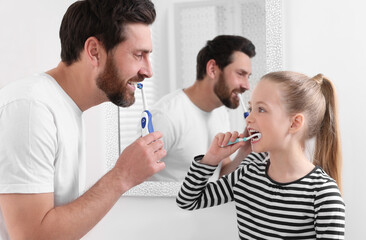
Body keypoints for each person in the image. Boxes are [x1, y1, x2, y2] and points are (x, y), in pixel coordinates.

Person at [0, 0, 166, 239]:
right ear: (94, 52)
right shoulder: (31, 108)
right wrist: (122, 176)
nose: (149, 71)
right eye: (139, 55)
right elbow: (31, 235)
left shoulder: (63, 108)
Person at [176, 71, 345, 239]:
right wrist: (211, 159)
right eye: (251, 108)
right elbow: (188, 200)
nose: (248, 118)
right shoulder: (248, 173)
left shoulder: (323, 194)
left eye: (261, 109)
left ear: (294, 123)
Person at [149, 35, 256, 181]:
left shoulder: (220, 111)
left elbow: (220, 174)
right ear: (212, 69)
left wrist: (244, 150)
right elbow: (136, 183)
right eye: (240, 74)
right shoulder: (165, 117)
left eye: (248, 76)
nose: (246, 86)